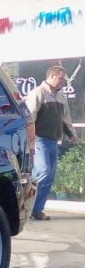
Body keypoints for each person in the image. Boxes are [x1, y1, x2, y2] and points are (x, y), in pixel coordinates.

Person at [24, 65, 79, 220]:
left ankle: (37, 210)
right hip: (39, 140)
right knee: (43, 172)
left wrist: (72, 135)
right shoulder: (38, 93)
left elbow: (65, 120)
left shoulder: (61, 97)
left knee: (49, 177)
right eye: (61, 78)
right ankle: (25, 206)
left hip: (53, 141)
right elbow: (29, 118)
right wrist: (30, 141)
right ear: (52, 76)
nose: (63, 82)